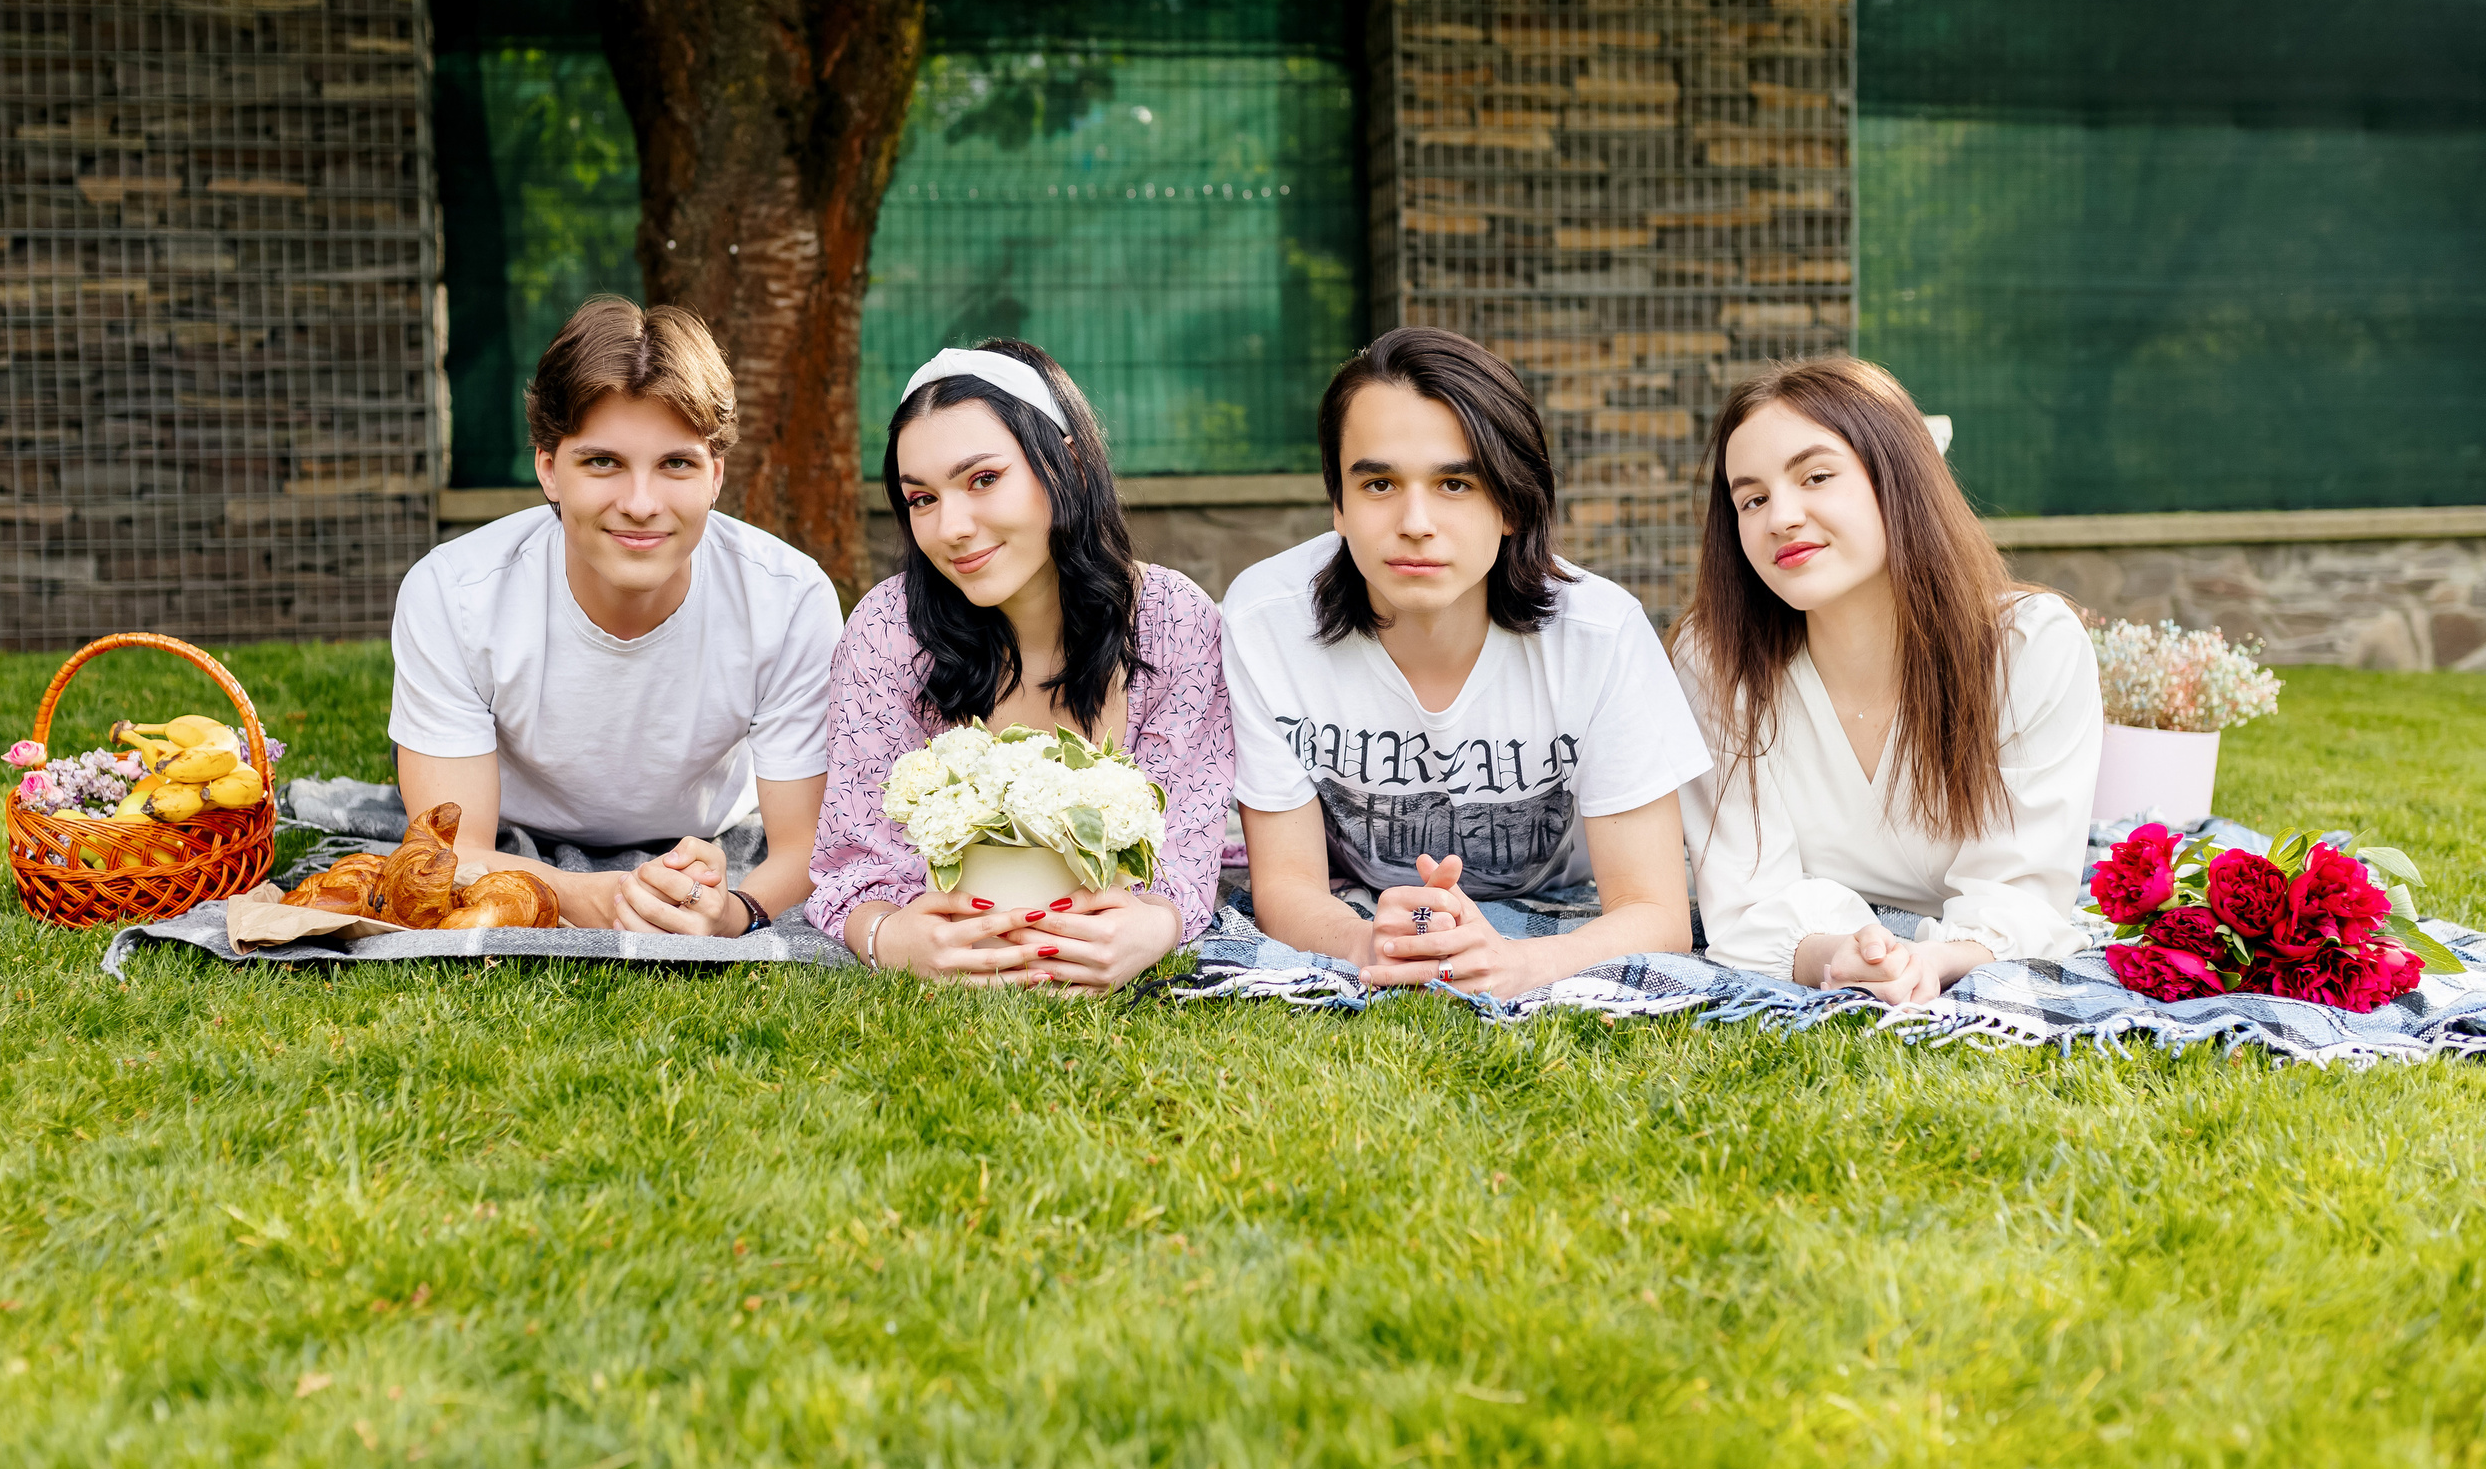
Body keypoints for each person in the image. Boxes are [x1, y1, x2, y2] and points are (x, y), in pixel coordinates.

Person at [1222, 327, 1710, 1000]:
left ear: (1511, 502)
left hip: (1560, 899)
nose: (1415, 520)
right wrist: (1370, 942)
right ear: (1338, 502)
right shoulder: (1265, 621)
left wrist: (1522, 964)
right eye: (1379, 483)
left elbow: (1655, 911)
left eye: (1455, 482)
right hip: (1367, 902)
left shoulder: (1599, 634)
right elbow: (1286, 886)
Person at [388, 296, 840, 934]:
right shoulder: (453, 592)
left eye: (675, 464)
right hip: (519, 835)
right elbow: (449, 854)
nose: (640, 503)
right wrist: (586, 896)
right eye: (603, 462)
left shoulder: (789, 599)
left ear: (716, 474)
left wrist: (736, 910)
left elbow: (807, 850)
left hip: (710, 832)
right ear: (549, 469)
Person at [1674, 356, 2103, 1004]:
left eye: (1815, 476)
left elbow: (2024, 892)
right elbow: (1745, 898)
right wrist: (1844, 959)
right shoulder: (1717, 661)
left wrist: (1932, 960)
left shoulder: (2028, 647)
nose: (1780, 517)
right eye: (1752, 498)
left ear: (1897, 478)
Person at [808, 340, 1234, 990]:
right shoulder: (889, 629)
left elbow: (1185, 854)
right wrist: (893, 938)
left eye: (983, 479)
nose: (951, 526)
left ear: (1067, 464)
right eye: (921, 498)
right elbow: (854, 865)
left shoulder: (1175, 621)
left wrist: (1152, 929)